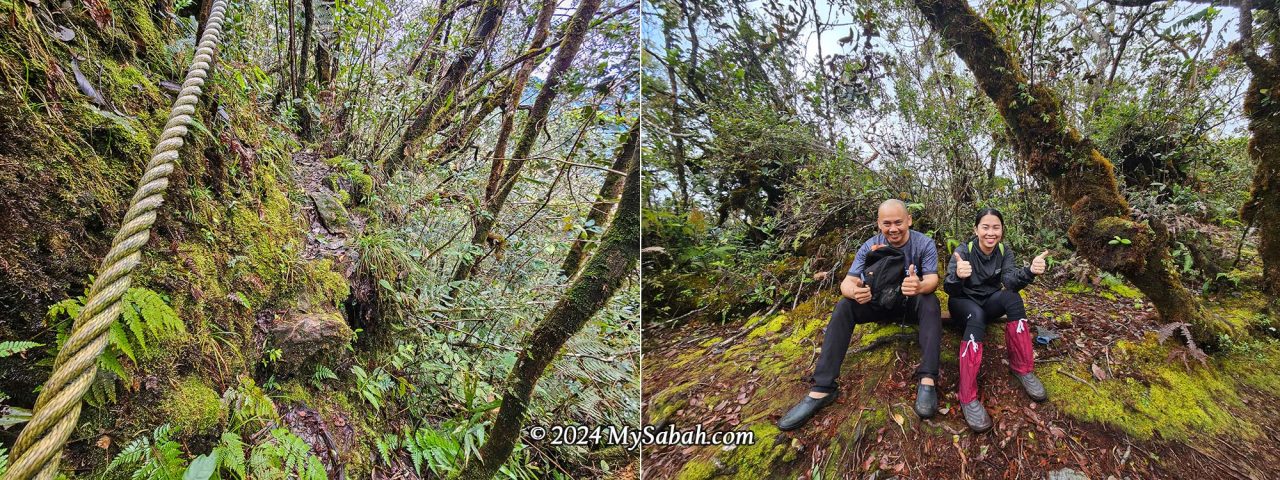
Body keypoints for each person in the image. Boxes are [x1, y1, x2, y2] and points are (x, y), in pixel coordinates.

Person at [778, 200, 943, 431]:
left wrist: (919, 286)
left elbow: (933, 279)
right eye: (887, 224)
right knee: (845, 306)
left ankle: (927, 379)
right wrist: (855, 292)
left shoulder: (923, 244)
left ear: (909, 220)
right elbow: (847, 282)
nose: (893, 229)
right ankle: (822, 389)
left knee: (930, 301)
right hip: (877, 303)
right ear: (878, 224)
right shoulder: (870, 246)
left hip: (909, 303)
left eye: (898, 222)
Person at [945, 208, 1050, 433]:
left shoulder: (1004, 251)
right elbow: (949, 288)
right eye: (985, 227)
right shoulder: (964, 250)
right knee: (977, 317)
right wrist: (957, 276)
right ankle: (967, 396)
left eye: (996, 227)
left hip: (988, 301)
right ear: (976, 229)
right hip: (963, 303)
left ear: (1002, 230)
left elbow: (1010, 282)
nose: (990, 233)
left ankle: (1022, 368)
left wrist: (1030, 271)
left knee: (1013, 299)